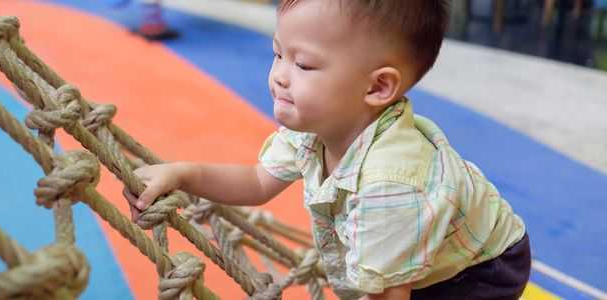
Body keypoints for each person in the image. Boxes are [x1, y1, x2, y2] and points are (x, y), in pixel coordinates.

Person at [123, 0, 530, 299]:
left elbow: (389, 293)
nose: (280, 76)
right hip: (417, 248)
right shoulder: (318, 124)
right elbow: (256, 181)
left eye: (304, 66)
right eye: (278, 54)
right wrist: (182, 174)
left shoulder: (390, 186)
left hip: (479, 271)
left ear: (376, 87)